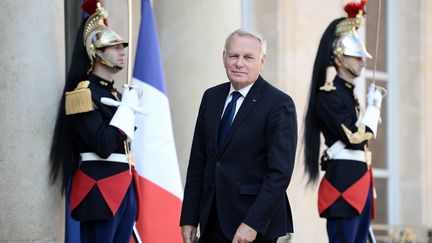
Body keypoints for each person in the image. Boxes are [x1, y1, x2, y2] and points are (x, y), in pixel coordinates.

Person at [180, 28, 298, 243]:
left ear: (262, 61)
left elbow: (279, 173)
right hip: (211, 219)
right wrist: (189, 216)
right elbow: (198, 162)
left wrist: (252, 223)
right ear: (224, 58)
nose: (239, 63)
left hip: (253, 224)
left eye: (248, 57)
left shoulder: (279, 103)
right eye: (233, 56)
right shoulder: (211, 97)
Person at [49, 1, 144, 242]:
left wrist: (125, 105)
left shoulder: (117, 95)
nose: (122, 51)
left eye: (122, 46)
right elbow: (102, 145)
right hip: (100, 188)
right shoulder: (83, 95)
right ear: (96, 52)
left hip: (125, 185)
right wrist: (126, 111)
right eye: (114, 46)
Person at [303, 1, 385, 242]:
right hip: (344, 188)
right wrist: (374, 108)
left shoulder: (349, 93)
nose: (363, 61)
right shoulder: (328, 96)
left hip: (359, 183)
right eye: (356, 57)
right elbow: (354, 137)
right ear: (339, 59)